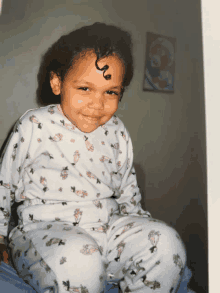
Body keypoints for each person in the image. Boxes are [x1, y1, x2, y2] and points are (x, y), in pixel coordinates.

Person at [0, 22, 187, 293]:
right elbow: (3, 183)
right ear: (57, 82)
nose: (97, 104)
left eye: (110, 92)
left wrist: (140, 225)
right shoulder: (34, 125)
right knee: (81, 263)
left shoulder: (118, 131)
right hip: (43, 230)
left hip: (107, 228)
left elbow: (128, 190)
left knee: (167, 243)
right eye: (85, 89)